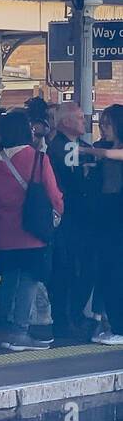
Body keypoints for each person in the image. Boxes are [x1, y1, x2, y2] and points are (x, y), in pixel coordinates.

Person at [0, 110, 63, 352]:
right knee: (29, 279)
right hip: (32, 230)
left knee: (10, 277)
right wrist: (59, 211)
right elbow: (53, 194)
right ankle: (20, 332)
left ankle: (8, 326)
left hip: (5, 231)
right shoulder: (38, 159)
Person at [47, 101, 94, 341]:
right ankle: (68, 318)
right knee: (69, 269)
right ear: (65, 121)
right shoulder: (64, 148)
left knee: (78, 269)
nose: (83, 121)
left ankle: (72, 315)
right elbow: (73, 182)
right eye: (79, 118)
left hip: (77, 218)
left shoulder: (79, 146)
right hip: (70, 218)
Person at [82, 105, 123, 344]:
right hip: (106, 213)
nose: (103, 128)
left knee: (117, 270)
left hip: (118, 213)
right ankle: (114, 324)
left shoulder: (107, 150)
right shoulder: (103, 147)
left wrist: (87, 150)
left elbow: (110, 156)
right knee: (107, 270)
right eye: (101, 123)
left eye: (107, 123)